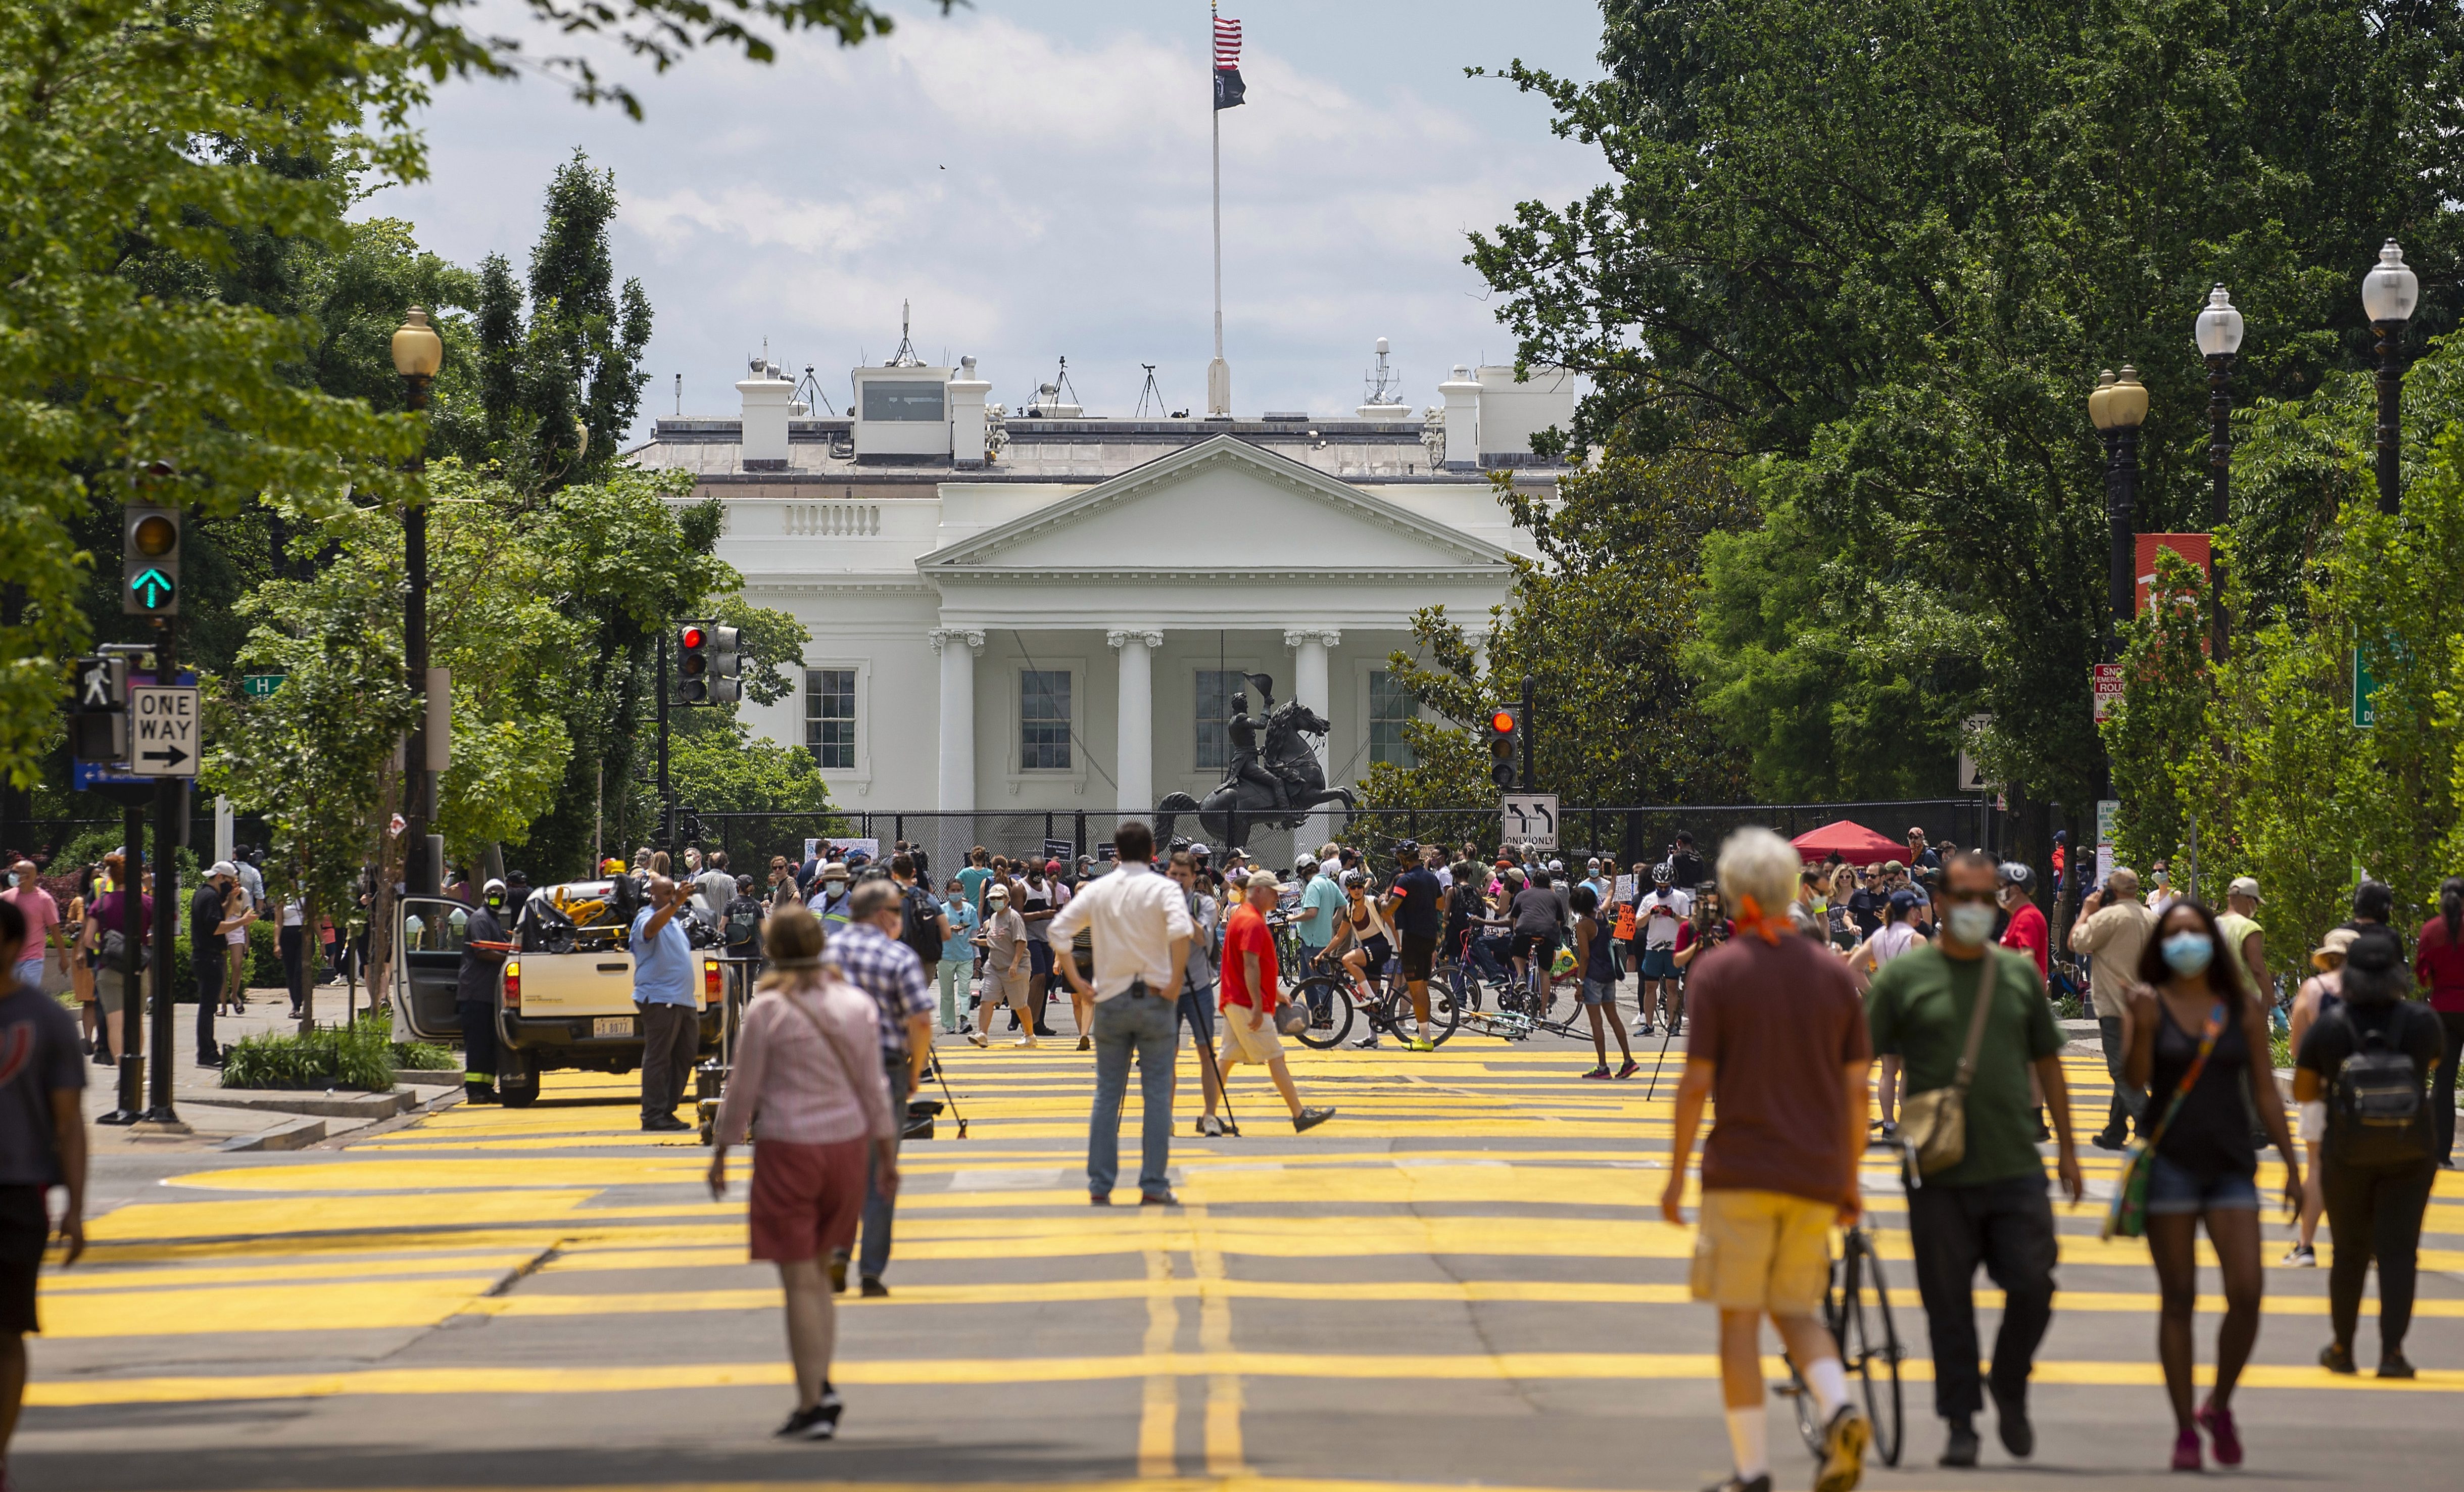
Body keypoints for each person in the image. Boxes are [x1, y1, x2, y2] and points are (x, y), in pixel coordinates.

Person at [1660, 827, 1871, 1492]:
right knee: (1798, 1310)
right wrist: (1848, 1176)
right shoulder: (1835, 976)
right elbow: (1856, 1091)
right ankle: (1838, 1407)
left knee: (1739, 1320)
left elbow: (1696, 1084)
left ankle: (1751, 1469)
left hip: (1742, 1171)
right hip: (1813, 1174)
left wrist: (1673, 1177)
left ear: (1732, 895)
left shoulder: (1719, 973)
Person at [1867, 851, 2081, 1467]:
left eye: (1986, 900)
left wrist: (2067, 1149)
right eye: (1962, 897)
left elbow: (2048, 1063)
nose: (1973, 910)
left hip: (2015, 1164)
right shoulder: (1905, 980)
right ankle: (1959, 1421)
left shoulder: (2015, 978)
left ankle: (2008, 1382)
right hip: (1937, 1171)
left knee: (2033, 1283)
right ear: (1937, 901)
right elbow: (1855, 1053)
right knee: (1947, 1303)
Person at [2122, 898, 2301, 1473]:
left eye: (2193, 933)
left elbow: (2266, 1093)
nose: (2184, 943)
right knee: (2178, 1299)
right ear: (2160, 946)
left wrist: (2295, 1167)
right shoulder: (2148, 1002)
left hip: (2229, 1164)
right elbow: (2134, 1078)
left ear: (2211, 943)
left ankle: (2217, 1404)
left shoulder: (2241, 1008)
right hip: (2170, 1163)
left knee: (2245, 1291)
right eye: (2173, 934)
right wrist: (2142, 1028)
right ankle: (2182, 1431)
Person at [707, 908, 898, 1441]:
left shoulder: (767, 1009)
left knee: (798, 1281)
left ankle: (813, 1399)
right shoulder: (855, 1004)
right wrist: (887, 1153)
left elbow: (741, 1089)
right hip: (847, 1149)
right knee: (820, 1272)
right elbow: (874, 1087)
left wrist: (722, 1150)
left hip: (788, 1147)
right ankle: (823, 1384)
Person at [2290, 923, 2440, 1378]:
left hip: (2346, 1152)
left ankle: (2342, 1348)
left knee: (2349, 1251)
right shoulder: (2419, 1021)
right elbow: (2430, 1066)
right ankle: (2392, 1354)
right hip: (2411, 1151)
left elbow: (2303, 1090)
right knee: (2399, 1252)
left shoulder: (2333, 1026)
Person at [1046, 820, 1193, 1204]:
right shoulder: (1164, 888)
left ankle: (1100, 1184)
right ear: (1151, 853)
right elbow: (1181, 933)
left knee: (1107, 1094)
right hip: (1156, 997)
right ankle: (1153, 1184)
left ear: (1115, 852)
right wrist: (1175, 981)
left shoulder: (1099, 890)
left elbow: (1058, 931)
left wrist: (1078, 980)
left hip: (1110, 997)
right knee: (1157, 1094)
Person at [0, 896, 86, 1485]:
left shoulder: (48, 1020)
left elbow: (69, 1122)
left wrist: (76, 1208)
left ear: (12, 947)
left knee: (6, 1331)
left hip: (17, 1191)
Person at [827, 879, 936, 1296]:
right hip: (884, 1069)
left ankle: (837, 1249)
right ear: (881, 914)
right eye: (896, 908)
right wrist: (914, 1072)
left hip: (834, 1070)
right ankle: (870, 1270)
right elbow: (921, 1021)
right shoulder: (897, 956)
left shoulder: (826, 954)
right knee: (880, 1169)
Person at [1211, 867, 1337, 1134]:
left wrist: (1275, 993)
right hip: (1246, 1003)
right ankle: (1299, 1114)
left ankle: (1208, 1116)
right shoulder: (1253, 922)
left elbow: (1250, 966)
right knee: (1276, 1057)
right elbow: (1250, 966)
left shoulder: (1244, 916)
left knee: (1227, 1058)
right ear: (1258, 891)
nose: (1278, 899)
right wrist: (1259, 1004)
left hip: (1238, 999)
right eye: (1274, 894)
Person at [2284, 928, 2356, 1265]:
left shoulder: (2313, 989)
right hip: (2366, 1094)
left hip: (2321, 1089)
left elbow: (2297, 1047)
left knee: (2316, 1166)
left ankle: (2305, 1246)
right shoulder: (2379, 991)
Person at [2069, 868, 2154, 1149]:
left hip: (2116, 1007)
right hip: (2145, 1008)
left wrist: (2086, 911)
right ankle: (2115, 1132)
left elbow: (2076, 943)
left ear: (2110, 891)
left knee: (2120, 1070)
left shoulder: (2107, 917)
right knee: (2129, 1068)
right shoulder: (2151, 918)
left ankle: (2149, 1123)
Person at [1166, 851, 1232, 1136]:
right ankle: (1164, 1118)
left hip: (1199, 987)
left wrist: (1181, 912)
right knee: (1166, 1055)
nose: (1178, 880)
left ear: (1194, 878)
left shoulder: (1204, 903)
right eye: (1174, 875)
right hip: (1167, 989)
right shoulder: (1158, 904)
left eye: (1184, 875)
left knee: (1206, 1051)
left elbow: (1204, 939)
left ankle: (1210, 1116)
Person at [631, 874, 701, 1133]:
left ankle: (666, 1110)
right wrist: (675, 902)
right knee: (658, 1058)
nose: (675, 893)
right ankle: (653, 1114)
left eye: (675, 890)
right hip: (660, 999)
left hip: (682, 1000)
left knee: (685, 1055)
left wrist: (674, 905)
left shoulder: (673, 920)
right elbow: (649, 930)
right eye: (668, 891)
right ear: (654, 896)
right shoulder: (645, 917)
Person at [2411, 875, 2464, 1167]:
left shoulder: (2430, 930)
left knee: (2443, 1083)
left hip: (2443, 1008)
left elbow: (2423, 978)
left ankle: (2441, 1153)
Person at [78, 855, 148, 1069]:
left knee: (114, 1023)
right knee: (136, 1021)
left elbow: (89, 940)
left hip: (109, 968)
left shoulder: (101, 903)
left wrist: (106, 949)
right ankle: (137, 1070)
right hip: (138, 967)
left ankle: (123, 1072)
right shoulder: (147, 903)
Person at [1382, 843, 1445, 1048]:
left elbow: (1390, 908)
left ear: (1403, 860)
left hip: (1411, 937)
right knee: (1423, 986)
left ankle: (1425, 1039)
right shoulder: (1431, 878)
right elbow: (1442, 905)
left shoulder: (1404, 880)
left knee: (1415, 988)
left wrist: (1381, 902)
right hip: (1430, 937)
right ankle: (1424, 1035)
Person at [456, 880, 513, 1104]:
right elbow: (482, 951)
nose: (496, 899)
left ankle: (486, 1088)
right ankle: (474, 1091)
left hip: (488, 996)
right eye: (493, 895)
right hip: (475, 995)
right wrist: (509, 958)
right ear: (485, 896)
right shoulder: (480, 919)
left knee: (489, 1045)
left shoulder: (493, 920)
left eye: (500, 895)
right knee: (478, 1046)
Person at [1571, 884, 1635, 1079]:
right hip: (1609, 975)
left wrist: (1580, 983)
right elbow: (1609, 895)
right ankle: (1628, 1061)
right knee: (1614, 1018)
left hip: (1593, 978)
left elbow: (1585, 957)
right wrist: (1613, 878)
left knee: (1596, 1023)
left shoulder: (1583, 926)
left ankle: (1602, 1066)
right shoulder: (1604, 915)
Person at [190, 862, 246, 1066]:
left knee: (208, 1006)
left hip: (207, 956)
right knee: (207, 1007)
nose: (231, 887)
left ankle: (209, 1049)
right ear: (220, 877)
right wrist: (243, 922)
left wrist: (231, 898)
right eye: (230, 883)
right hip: (208, 956)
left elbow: (220, 915)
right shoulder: (209, 897)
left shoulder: (206, 895)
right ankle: (206, 1052)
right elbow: (217, 927)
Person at [969, 885, 1031, 1046]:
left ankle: (1030, 1035)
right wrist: (979, 942)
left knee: (1019, 1005)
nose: (996, 902)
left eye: (999, 898)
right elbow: (994, 940)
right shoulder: (993, 919)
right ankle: (982, 1033)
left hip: (1015, 968)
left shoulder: (1014, 918)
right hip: (995, 967)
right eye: (993, 899)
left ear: (1007, 900)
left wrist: (1015, 964)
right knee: (986, 1000)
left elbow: (1021, 942)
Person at [1634, 864, 1690, 1036]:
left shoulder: (1681, 898)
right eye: (1660, 886)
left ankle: (1673, 1024)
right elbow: (1639, 924)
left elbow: (1689, 923)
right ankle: (1649, 1025)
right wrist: (1651, 913)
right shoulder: (1649, 899)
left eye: (1666, 886)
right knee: (1650, 986)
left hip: (1674, 947)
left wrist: (1673, 915)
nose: (1663, 889)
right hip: (1654, 947)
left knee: (1672, 986)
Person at [0, 864, 57, 997]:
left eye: (16, 873)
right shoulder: (5, 898)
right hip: (11, 959)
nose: (12, 875)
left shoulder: (44, 899)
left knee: (27, 997)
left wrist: (63, 958)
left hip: (33, 958)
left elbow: (54, 928)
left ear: (29, 876)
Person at [934, 877, 979, 1036]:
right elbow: (935, 933)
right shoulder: (942, 910)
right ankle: (949, 1024)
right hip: (946, 956)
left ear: (962, 891)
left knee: (965, 989)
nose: (955, 893)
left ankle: (965, 1019)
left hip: (966, 956)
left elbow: (974, 933)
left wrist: (977, 955)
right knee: (947, 993)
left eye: (958, 890)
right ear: (947, 892)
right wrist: (948, 929)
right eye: (952, 891)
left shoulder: (970, 910)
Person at [1994, 863, 2049, 984]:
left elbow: (2027, 958)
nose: (1998, 891)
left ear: (2017, 889)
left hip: (2022, 996)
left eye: (2001, 886)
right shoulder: (2020, 916)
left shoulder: (2027, 917)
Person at [722, 876, 768, 980]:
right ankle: (748, 994)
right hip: (752, 948)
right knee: (749, 978)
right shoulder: (756, 904)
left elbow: (722, 926)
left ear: (738, 887)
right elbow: (764, 927)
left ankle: (738, 995)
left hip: (734, 948)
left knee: (735, 978)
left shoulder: (731, 904)